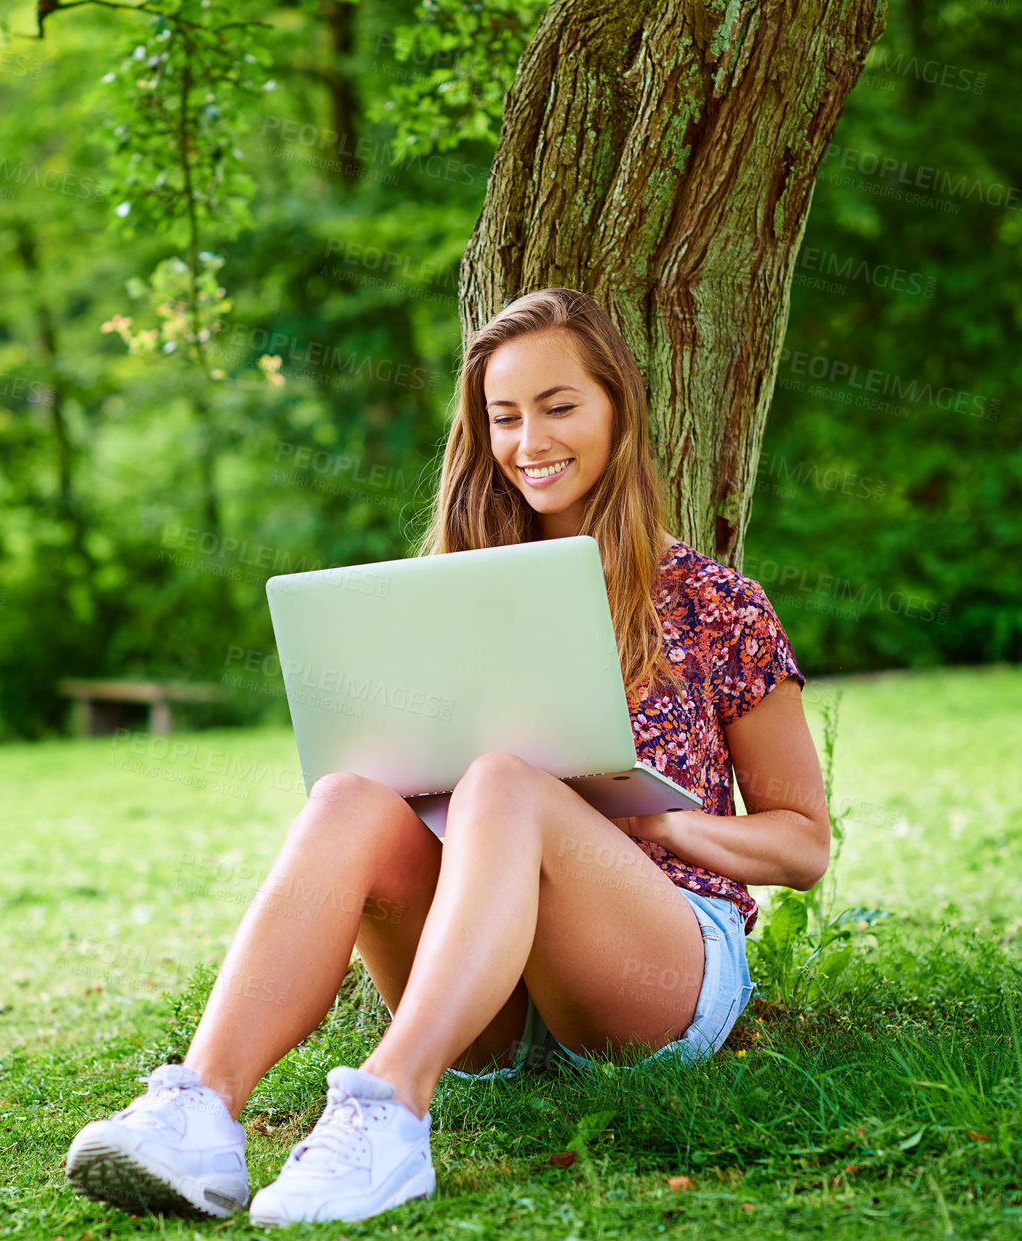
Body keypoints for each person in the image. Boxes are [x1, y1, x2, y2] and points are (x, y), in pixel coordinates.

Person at [64, 287, 832, 1226]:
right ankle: (199, 1108)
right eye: (504, 417)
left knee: (507, 778)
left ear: (618, 409)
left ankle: (388, 1110)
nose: (529, 441)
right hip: (489, 987)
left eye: (559, 406)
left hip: (656, 967)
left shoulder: (721, 606)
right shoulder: (448, 594)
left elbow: (804, 846)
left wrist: (663, 818)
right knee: (351, 794)